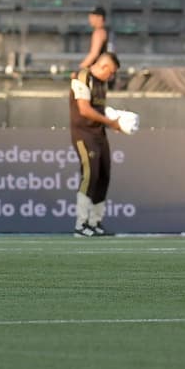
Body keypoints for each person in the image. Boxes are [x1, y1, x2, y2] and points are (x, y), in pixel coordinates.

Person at [69, 52, 121, 237]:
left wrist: (116, 121)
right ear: (104, 66)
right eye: (111, 72)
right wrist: (110, 122)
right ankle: (80, 224)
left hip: (99, 133)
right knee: (89, 175)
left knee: (104, 175)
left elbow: (99, 108)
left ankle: (95, 222)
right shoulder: (83, 76)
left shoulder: (102, 83)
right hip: (84, 133)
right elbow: (84, 109)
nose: (111, 76)